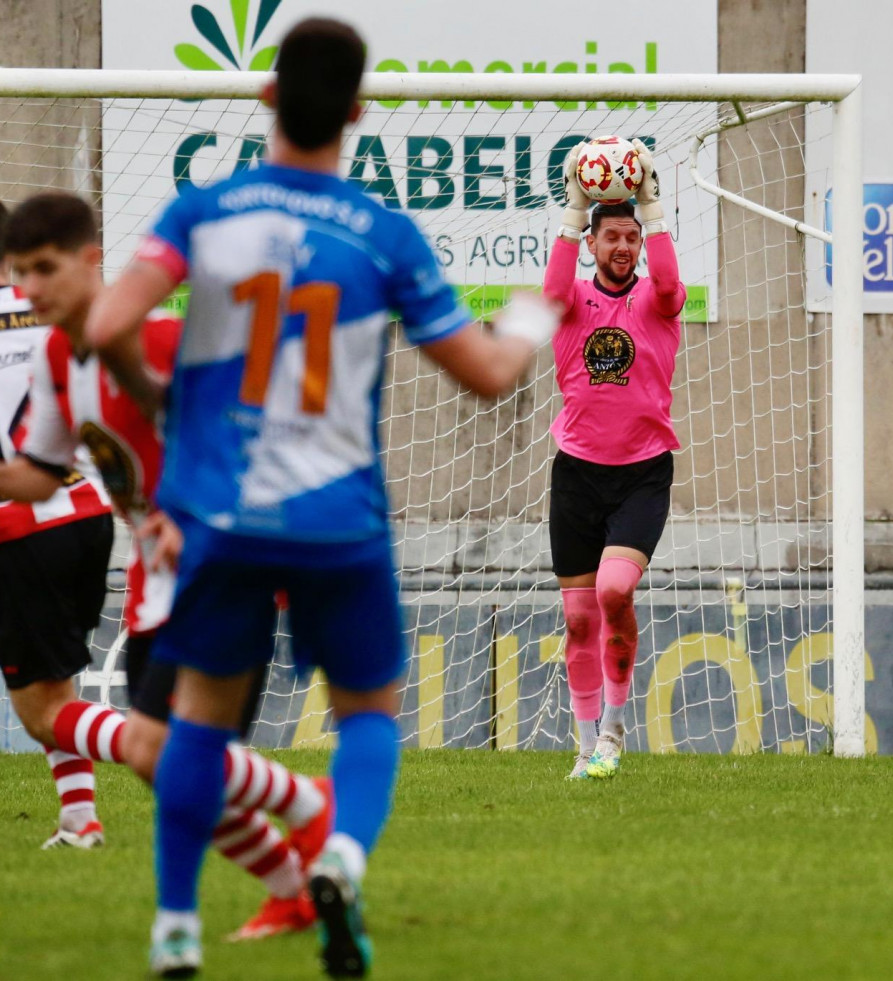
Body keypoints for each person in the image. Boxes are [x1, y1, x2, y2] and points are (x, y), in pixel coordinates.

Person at [85, 16, 559, 979]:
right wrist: (530, 315)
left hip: (224, 515)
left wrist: (157, 397)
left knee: (201, 719)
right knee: (369, 714)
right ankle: (339, 857)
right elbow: (488, 375)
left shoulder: (202, 210)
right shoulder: (382, 234)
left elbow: (106, 319)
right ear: (356, 113)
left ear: (265, 98)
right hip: (339, 521)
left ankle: (175, 929)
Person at [0, 191, 333, 942]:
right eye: (20, 273)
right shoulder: (57, 354)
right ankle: (298, 858)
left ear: (92, 261)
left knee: (174, 758)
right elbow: (39, 473)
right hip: (157, 580)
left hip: (227, 569)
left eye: (45, 269)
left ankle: (306, 828)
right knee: (159, 760)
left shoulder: (166, 341)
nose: (30, 291)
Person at [544, 141, 686, 781]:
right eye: (613, 237)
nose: (623, 247)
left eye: (631, 237)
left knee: (613, 591)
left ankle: (614, 733)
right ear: (595, 244)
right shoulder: (572, 301)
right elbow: (550, 288)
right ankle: (584, 748)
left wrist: (653, 208)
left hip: (642, 473)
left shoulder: (658, 301)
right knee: (578, 620)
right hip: (576, 472)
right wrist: (573, 212)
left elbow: (671, 280)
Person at [0, 198, 116, 849]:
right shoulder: (56, 316)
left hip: (21, 524)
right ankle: (79, 818)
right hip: (89, 514)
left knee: (42, 712)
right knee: (55, 686)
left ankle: (173, 752)